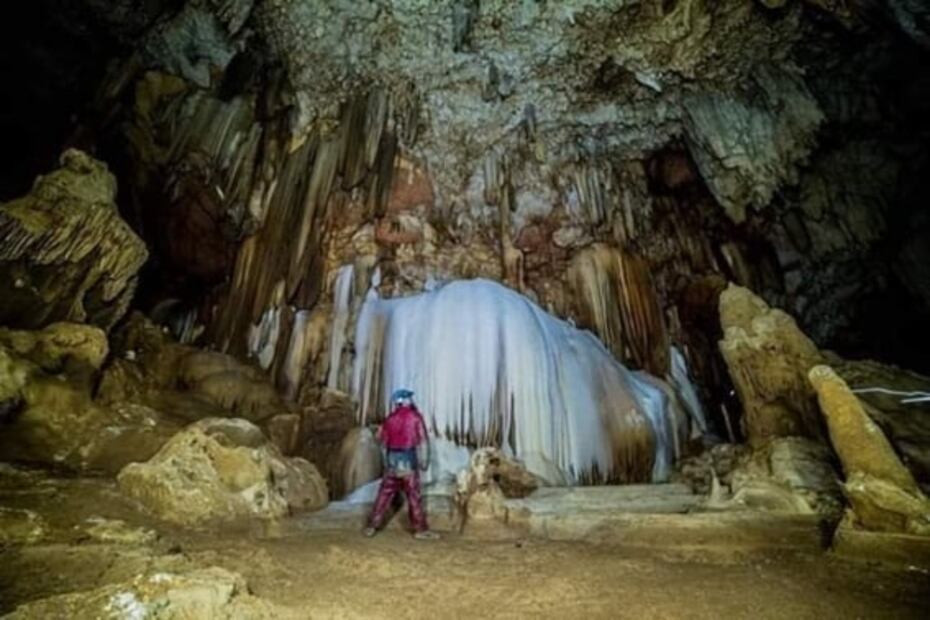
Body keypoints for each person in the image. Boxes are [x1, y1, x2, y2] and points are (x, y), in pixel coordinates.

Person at [364, 388, 438, 540]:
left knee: (384, 495)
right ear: (405, 401)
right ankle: (419, 529)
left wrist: (386, 463)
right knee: (414, 496)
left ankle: (372, 526)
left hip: (392, 462)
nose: (411, 400)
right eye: (409, 398)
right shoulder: (415, 417)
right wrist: (424, 461)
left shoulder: (389, 419)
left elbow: (382, 442)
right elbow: (423, 441)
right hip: (409, 462)